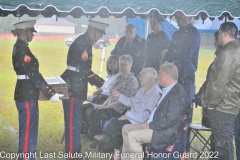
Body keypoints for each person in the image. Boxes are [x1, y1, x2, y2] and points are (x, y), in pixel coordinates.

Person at [11, 20, 63, 160]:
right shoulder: (22, 49)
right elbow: (33, 74)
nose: (33, 35)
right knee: (28, 131)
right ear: (24, 33)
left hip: (27, 93)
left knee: (30, 129)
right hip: (26, 94)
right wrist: (50, 93)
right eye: (31, 32)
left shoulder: (22, 47)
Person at [60, 20, 109, 158]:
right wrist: (101, 83)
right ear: (92, 30)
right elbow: (84, 69)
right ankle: (72, 154)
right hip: (73, 85)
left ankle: (74, 152)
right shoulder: (84, 43)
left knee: (74, 121)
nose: (100, 37)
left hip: (74, 84)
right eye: (99, 33)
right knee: (72, 122)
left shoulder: (84, 41)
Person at [121, 63, 189, 160]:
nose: (157, 76)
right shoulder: (168, 90)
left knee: (133, 136)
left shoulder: (177, 94)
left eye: (159, 73)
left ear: (167, 76)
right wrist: (148, 123)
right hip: (156, 126)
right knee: (126, 129)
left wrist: (150, 125)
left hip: (164, 132)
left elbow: (169, 120)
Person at [88, 68, 161, 158]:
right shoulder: (142, 89)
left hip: (140, 122)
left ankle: (117, 153)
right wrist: (118, 95)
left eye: (142, 76)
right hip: (132, 117)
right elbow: (131, 102)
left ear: (149, 79)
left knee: (113, 126)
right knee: (113, 124)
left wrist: (128, 115)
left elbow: (145, 116)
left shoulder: (155, 93)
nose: (140, 78)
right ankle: (118, 151)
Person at [202, 22, 240, 160]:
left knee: (221, 145)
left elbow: (220, 81)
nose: (217, 35)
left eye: (218, 32)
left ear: (225, 33)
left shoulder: (228, 51)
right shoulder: (235, 49)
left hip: (223, 106)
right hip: (230, 104)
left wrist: (211, 104)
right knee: (226, 143)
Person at [163, 11, 201, 150]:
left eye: (180, 17)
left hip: (186, 79)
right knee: (172, 113)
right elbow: (170, 53)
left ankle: (183, 147)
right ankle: (172, 144)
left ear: (188, 16)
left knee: (184, 115)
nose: (177, 20)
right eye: (176, 18)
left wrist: (172, 65)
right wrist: (165, 64)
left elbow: (187, 57)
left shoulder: (194, 33)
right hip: (174, 79)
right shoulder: (177, 34)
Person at [86, 55, 138, 142]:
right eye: (121, 64)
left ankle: (100, 138)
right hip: (111, 106)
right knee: (90, 110)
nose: (123, 67)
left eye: (126, 65)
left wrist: (104, 107)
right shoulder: (118, 77)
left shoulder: (132, 80)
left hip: (119, 110)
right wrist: (102, 105)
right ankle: (95, 136)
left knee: (94, 113)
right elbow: (111, 95)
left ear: (131, 65)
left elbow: (122, 102)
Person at [81, 55, 120, 134]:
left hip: (107, 100)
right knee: (83, 108)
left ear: (118, 64)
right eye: (110, 62)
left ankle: (95, 133)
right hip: (101, 97)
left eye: (114, 62)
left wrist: (101, 92)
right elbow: (105, 88)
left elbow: (114, 92)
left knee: (90, 111)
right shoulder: (109, 75)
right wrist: (100, 90)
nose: (111, 64)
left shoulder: (118, 76)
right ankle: (85, 130)